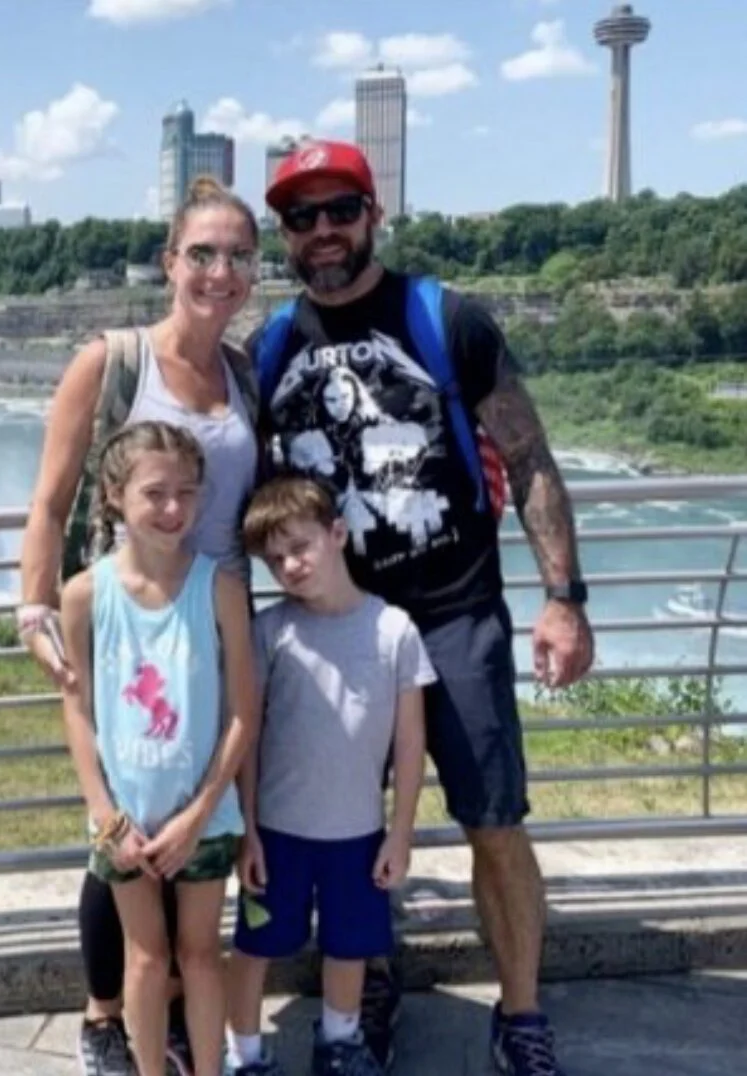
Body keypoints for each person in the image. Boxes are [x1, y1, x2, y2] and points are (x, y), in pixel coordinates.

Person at [250, 140, 595, 1076]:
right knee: (337, 829)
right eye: (300, 217)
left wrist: (562, 599)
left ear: (372, 215)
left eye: (339, 211)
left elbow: (526, 460)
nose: (322, 232)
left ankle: (520, 1014)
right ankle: (363, 996)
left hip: (454, 616)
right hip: (334, 625)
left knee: (493, 820)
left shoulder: (446, 318)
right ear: (285, 235)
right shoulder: (271, 347)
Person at [18, 175, 262, 1076]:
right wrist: (34, 606)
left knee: (209, 825)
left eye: (239, 255)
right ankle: (103, 1019)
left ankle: (182, 1032)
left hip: (218, 610)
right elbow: (48, 502)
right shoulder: (111, 360)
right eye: (201, 253)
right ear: (170, 263)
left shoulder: (244, 369)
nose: (219, 271)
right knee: (117, 825)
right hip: (127, 610)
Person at [58, 420, 259, 1076]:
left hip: (201, 816)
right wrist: (105, 814)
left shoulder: (220, 588)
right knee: (144, 957)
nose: (173, 509)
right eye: (155, 493)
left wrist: (200, 812)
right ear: (115, 494)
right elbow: (79, 709)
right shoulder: (85, 595)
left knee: (200, 955)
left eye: (187, 493)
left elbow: (242, 712)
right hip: (124, 819)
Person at [225, 475, 434, 1076]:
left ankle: (340, 1042)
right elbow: (250, 733)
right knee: (254, 945)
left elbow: (410, 741)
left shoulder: (395, 630)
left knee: (351, 946)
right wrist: (249, 830)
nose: (290, 565)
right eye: (275, 558)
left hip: (359, 832)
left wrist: (401, 833)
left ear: (338, 533)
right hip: (278, 832)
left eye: (301, 546)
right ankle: (244, 1054)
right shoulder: (270, 630)